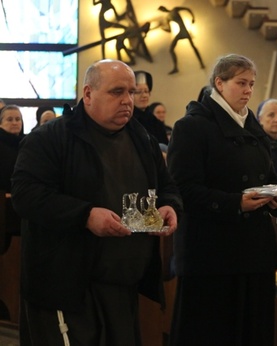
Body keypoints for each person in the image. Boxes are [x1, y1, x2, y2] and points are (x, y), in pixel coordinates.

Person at [10, 59, 183, 345]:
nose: (128, 100)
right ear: (88, 94)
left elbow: (167, 186)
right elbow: (26, 195)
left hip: (123, 283)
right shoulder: (50, 138)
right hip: (67, 285)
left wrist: (169, 206)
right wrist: (85, 215)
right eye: (117, 92)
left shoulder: (142, 138)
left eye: (131, 92)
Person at [167, 54, 277, 346]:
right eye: (241, 83)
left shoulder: (252, 126)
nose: (248, 90)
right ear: (219, 83)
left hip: (254, 251)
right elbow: (183, 188)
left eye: (251, 84)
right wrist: (235, 203)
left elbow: (269, 177)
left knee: (251, 332)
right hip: (211, 254)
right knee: (211, 333)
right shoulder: (192, 127)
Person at [132, 70, 169, 145]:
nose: (144, 95)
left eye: (146, 91)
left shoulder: (155, 121)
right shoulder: (127, 120)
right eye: (138, 92)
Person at [0, 105, 24, 192]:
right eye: (9, 119)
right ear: (1, 123)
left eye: (18, 119)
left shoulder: (27, 143)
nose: (14, 123)